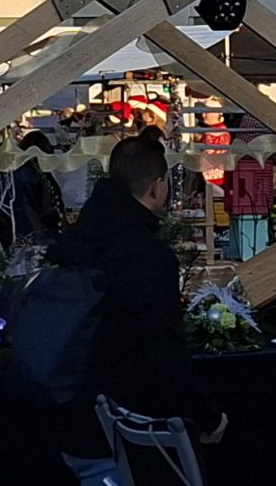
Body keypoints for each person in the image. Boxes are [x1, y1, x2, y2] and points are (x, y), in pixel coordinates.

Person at [44, 134, 225, 481]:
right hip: (122, 425)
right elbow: (163, 348)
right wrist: (206, 415)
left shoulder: (77, 240)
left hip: (63, 409)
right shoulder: (144, 256)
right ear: (156, 186)